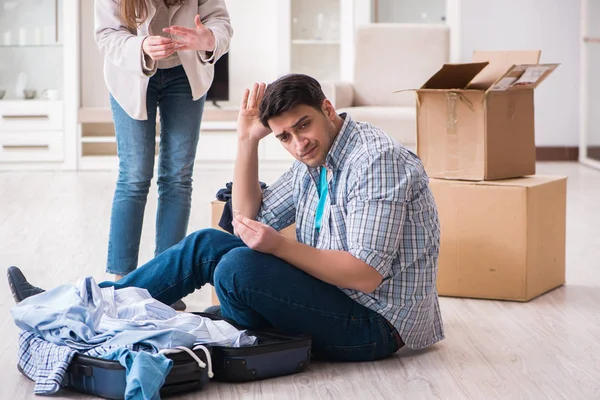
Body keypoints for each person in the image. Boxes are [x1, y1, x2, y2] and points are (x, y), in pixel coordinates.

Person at [7, 74, 444, 362]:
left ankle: (132, 315)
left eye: (303, 125)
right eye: (284, 137)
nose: (297, 143)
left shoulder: (375, 161)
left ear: (329, 110)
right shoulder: (317, 158)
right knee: (207, 245)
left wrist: (279, 246)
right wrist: (246, 141)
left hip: (377, 324)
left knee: (236, 267)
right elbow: (245, 219)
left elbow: (365, 275)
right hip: (335, 297)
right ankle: (86, 304)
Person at [95, 0, 233, 310]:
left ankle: (166, 285)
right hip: (131, 74)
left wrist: (208, 39)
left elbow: (221, 23)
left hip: (185, 76)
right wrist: (141, 45)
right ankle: (122, 285)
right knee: (134, 176)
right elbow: (106, 34)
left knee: (177, 178)